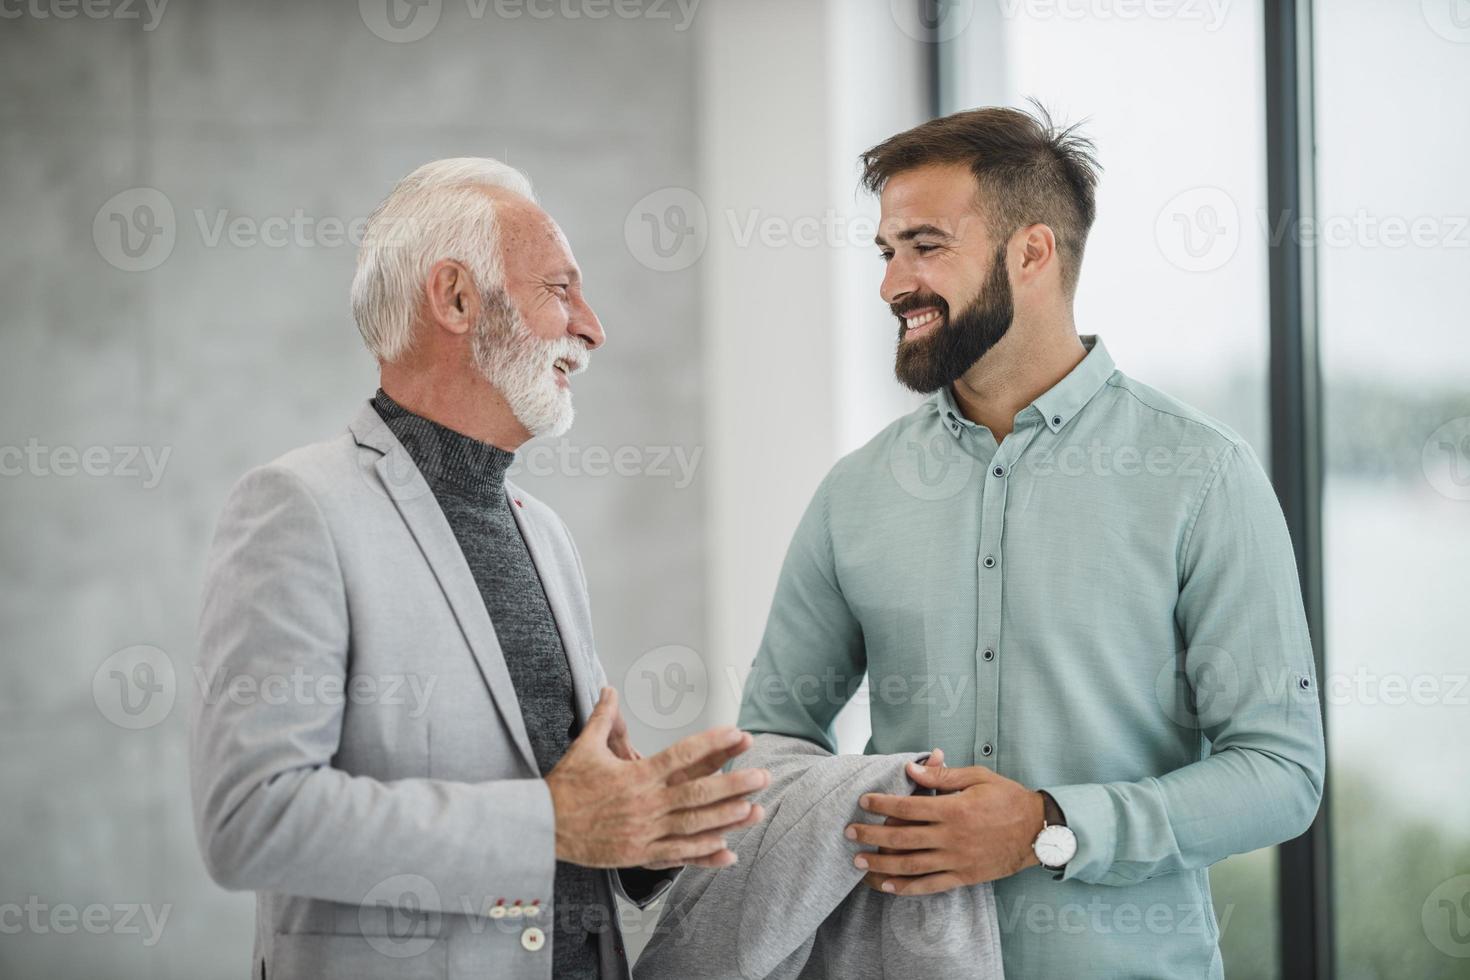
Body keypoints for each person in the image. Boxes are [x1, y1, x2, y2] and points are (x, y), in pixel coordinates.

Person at [737, 104, 1325, 978]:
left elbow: (1281, 774)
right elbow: (774, 739)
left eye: (926, 246)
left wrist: (1049, 826)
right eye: (887, 250)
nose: (894, 283)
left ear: (1033, 252)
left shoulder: (1202, 476)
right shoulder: (855, 491)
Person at [190, 158, 767, 980]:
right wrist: (551, 823)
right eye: (560, 291)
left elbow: (578, 813)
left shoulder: (546, 534)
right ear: (457, 298)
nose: (594, 328)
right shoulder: (297, 508)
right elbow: (250, 821)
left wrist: (645, 829)